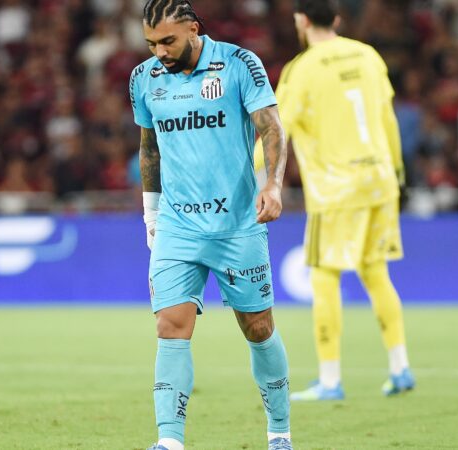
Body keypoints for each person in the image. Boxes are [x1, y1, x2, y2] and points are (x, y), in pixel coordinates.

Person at [130, 1, 293, 449]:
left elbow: (272, 127)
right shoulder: (144, 79)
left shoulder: (239, 64)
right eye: (151, 43)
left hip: (237, 224)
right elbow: (150, 149)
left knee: (258, 328)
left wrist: (274, 186)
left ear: (194, 29)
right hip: (179, 227)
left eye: (168, 41)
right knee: (170, 326)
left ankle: (279, 433)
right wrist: (151, 213)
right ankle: (170, 441)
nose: (159, 52)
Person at [258, 0, 415, 401]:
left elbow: (278, 131)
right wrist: (397, 171)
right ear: (338, 20)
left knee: (325, 274)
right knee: (375, 272)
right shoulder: (368, 56)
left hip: (337, 188)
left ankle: (330, 379)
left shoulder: (302, 69)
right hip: (380, 179)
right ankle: (400, 368)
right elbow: (388, 119)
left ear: (302, 20)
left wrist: (245, 169)